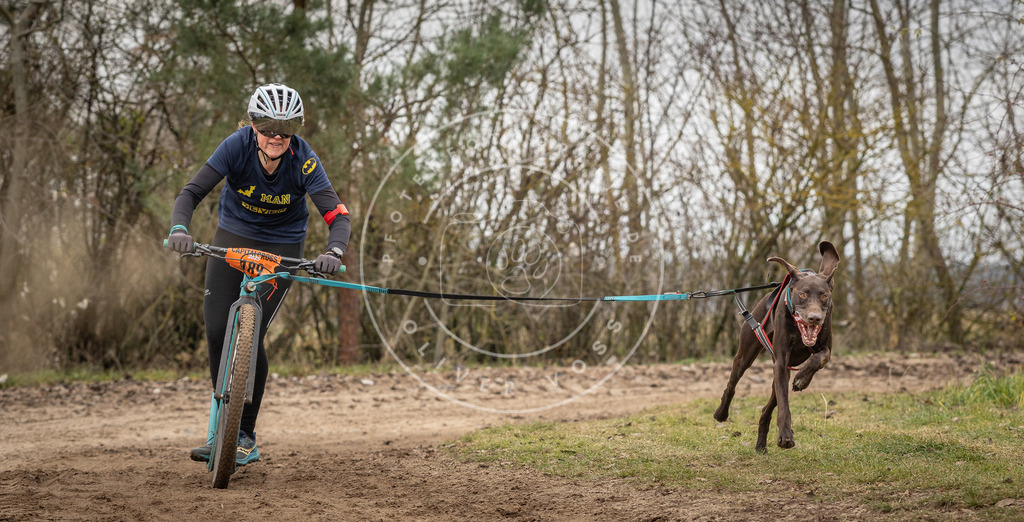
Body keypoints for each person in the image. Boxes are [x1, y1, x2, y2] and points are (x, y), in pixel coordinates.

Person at [167, 83, 350, 466]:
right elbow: (191, 194)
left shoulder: (305, 160)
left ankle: (244, 436)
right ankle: (222, 426)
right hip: (232, 237)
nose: (276, 136)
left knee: (253, 334)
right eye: (267, 127)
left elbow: (337, 216)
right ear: (253, 125)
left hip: (283, 245)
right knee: (218, 330)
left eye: (286, 129)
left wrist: (333, 252)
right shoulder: (235, 146)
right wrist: (180, 229)